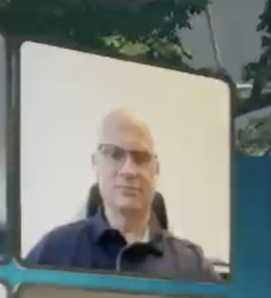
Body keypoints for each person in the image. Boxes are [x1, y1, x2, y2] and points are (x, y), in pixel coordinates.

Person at [23, 109, 216, 281]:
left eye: (140, 158)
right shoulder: (53, 251)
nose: (129, 170)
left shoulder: (193, 266)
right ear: (95, 163)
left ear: (155, 169)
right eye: (114, 154)